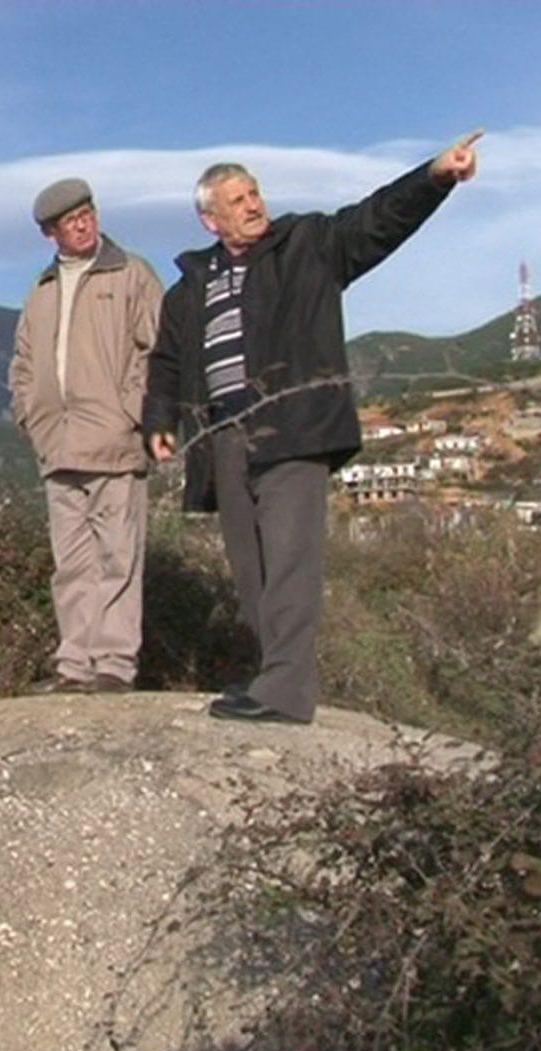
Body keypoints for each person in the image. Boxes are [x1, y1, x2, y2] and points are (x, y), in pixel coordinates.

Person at [143, 131, 483, 723]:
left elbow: (377, 221)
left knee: (291, 561)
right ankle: (272, 674)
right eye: (238, 199)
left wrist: (434, 175)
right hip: (224, 439)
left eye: (254, 193)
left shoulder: (310, 246)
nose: (253, 205)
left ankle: (288, 692)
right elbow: (167, 361)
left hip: (293, 430)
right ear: (210, 219)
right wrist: (159, 420)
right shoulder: (189, 290)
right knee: (251, 571)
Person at [10, 178, 165, 693]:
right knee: (71, 564)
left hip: (114, 441)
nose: (83, 223)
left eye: (88, 213)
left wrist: (134, 411)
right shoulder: (41, 289)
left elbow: (159, 350)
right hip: (57, 445)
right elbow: (24, 362)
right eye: (70, 219)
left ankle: (115, 665)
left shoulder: (131, 273)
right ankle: (74, 666)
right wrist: (29, 415)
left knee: (118, 558)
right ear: (49, 232)